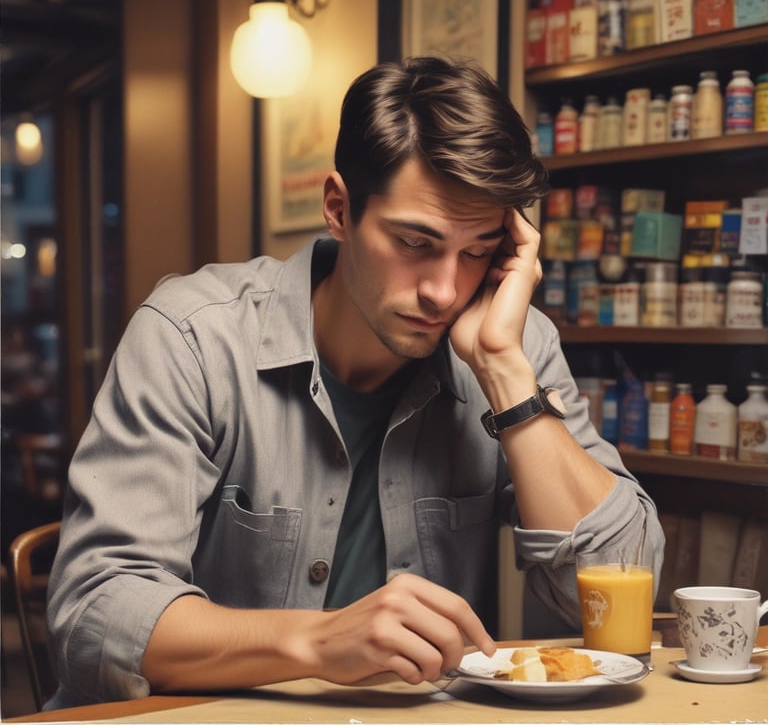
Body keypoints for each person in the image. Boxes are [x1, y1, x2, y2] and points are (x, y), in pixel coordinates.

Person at [46, 57, 664, 708]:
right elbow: (97, 617)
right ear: (339, 208)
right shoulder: (195, 336)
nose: (445, 290)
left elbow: (623, 583)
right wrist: (313, 642)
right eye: (415, 242)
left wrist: (507, 375)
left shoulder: (508, 344)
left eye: (478, 250)